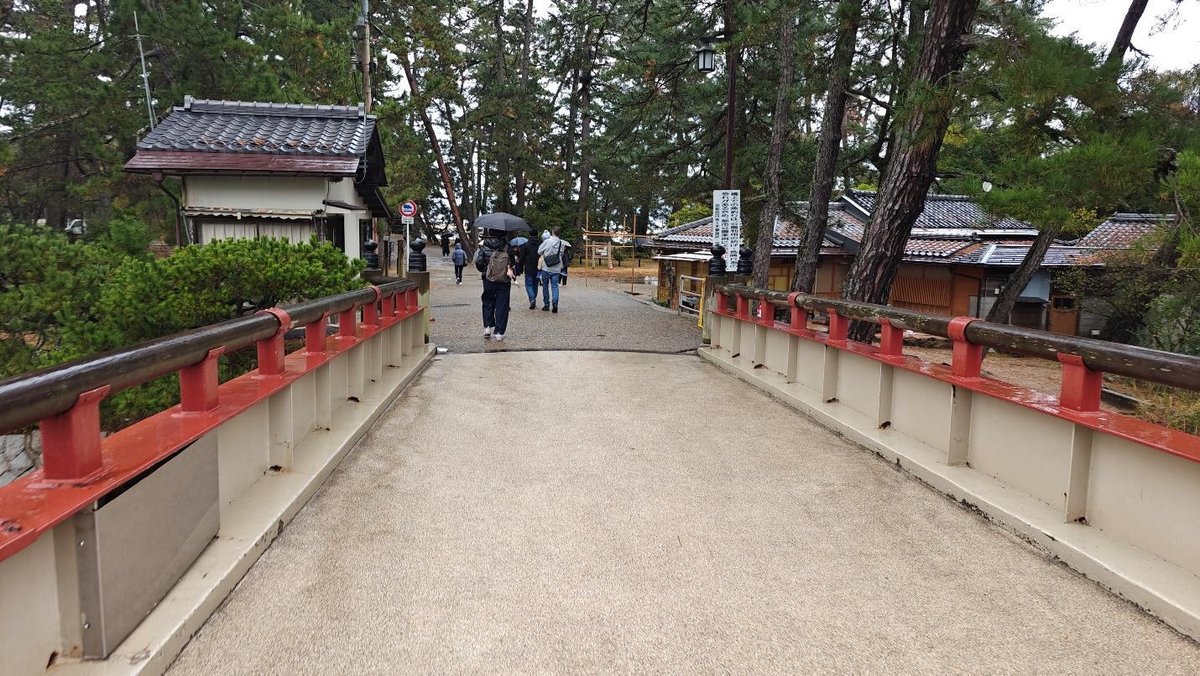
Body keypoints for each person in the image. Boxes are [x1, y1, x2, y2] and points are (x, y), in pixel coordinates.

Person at [474, 230, 516, 341]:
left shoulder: (484, 246)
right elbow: (513, 262)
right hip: (504, 280)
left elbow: (478, 262)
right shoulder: (507, 246)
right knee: (502, 304)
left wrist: (484, 271)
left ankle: (487, 327)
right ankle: (499, 332)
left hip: (488, 279)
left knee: (487, 301)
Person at [537, 226, 566, 313]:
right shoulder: (562, 243)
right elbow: (561, 254)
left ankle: (546, 304)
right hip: (556, 268)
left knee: (545, 286)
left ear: (552, 232)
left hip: (546, 267)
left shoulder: (547, 241)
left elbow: (539, 251)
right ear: (559, 233)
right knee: (555, 286)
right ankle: (555, 304)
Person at [521, 235, 542, 309]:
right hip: (537, 267)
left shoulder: (526, 245)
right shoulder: (540, 245)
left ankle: (532, 298)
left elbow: (522, 257)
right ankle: (533, 298)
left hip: (528, 267)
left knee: (528, 284)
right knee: (535, 284)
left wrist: (520, 267)